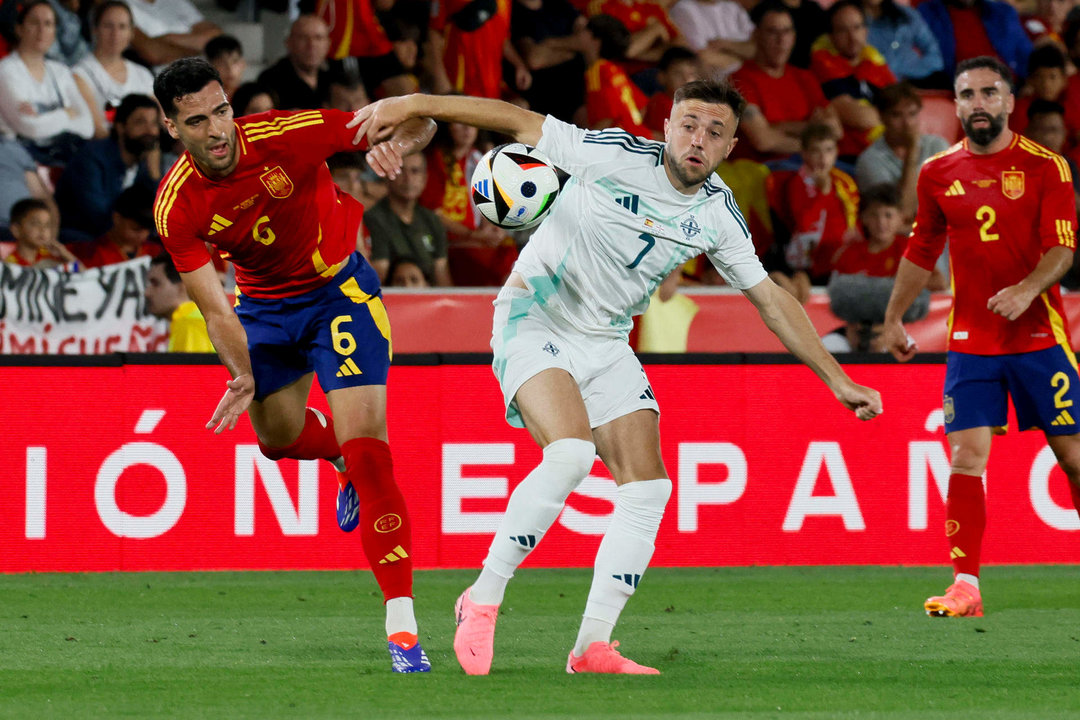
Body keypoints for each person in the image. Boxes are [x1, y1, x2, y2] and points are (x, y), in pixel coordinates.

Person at [350, 80, 883, 674]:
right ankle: (482, 598)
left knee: (649, 489)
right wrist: (414, 105)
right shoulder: (614, 154)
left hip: (605, 342)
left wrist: (837, 379)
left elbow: (771, 298)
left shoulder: (717, 213)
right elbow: (514, 119)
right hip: (535, 313)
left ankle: (590, 648)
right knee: (571, 454)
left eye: (713, 131)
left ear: (733, 145)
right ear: (666, 123)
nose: (696, 139)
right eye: (687, 123)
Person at [151, 57, 436, 671]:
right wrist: (242, 373)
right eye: (197, 121)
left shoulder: (288, 133)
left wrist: (400, 147)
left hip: (339, 294)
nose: (218, 130)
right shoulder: (176, 204)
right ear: (172, 127)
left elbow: (418, 119)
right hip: (259, 309)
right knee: (276, 441)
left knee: (370, 450)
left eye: (222, 111)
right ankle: (333, 457)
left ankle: (403, 628)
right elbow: (215, 309)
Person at [882, 56, 1080, 618]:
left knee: (1074, 458)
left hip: (1040, 336)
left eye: (989, 93)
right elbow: (921, 249)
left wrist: (1025, 289)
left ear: (1010, 102)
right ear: (958, 104)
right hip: (972, 341)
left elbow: (1062, 249)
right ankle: (965, 585)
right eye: (966, 95)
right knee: (966, 458)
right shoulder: (937, 172)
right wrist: (895, 317)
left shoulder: (1048, 167)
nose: (977, 104)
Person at [730, 1, 841, 163]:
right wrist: (811, 134)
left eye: (787, 31)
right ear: (756, 35)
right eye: (773, 32)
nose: (781, 40)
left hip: (813, 163)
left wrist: (779, 128)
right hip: (766, 168)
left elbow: (835, 131)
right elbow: (763, 141)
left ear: (794, 36)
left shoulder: (804, 77)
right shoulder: (739, 81)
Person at [765, 122, 860, 303]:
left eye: (829, 150)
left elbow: (853, 225)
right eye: (816, 151)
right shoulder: (796, 183)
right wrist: (822, 194)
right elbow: (805, 225)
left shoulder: (845, 183)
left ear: (836, 152)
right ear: (805, 153)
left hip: (840, 257)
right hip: (808, 261)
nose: (823, 157)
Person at [55, 93, 162, 241]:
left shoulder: (147, 161)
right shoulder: (92, 159)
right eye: (140, 123)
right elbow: (97, 216)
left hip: (126, 238)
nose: (150, 131)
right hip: (84, 238)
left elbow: (162, 216)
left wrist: (154, 175)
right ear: (120, 127)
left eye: (154, 123)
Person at [0, 0, 94, 166]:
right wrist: (67, 113)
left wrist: (41, 114)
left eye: (48, 24)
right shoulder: (6, 70)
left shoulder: (61, 71)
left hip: (62, 160)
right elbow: (30, 127)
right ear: (19, 28)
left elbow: (87, 127)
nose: (42, 30)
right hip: (19, 161)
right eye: (34, 22)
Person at [810, 0, 897, 163]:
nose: (852, 37)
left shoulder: (874, 61)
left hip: (889, 151)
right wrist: (893, 117)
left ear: (866, 30)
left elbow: (901, 105)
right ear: (831, 35)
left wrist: (895, 117)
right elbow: (858, 117)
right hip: (853, 158)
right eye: (843, 30)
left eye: (857, 28)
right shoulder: (822, 63)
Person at [854, 82, 950, 223]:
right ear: (881, 117)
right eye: (897, 115)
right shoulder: (869, 161)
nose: (907, 123)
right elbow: (903, 212)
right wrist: (911, 152)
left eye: (912, 114)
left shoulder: (937, 145)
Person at [365, 152, 452, 286]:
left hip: (428, 300)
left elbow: (442, 277)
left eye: (415, 171)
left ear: (425, 178)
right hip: (389, 301)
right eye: (400, 171)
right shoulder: (373, 218)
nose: (408, 178)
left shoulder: (432, 220)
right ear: (387, 177)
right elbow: (375, 280)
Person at [73, 1, 155, 132]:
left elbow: (163, 122)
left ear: (131, 33)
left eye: (122, 27)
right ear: (95, 29)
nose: (115, 34)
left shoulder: (142, 74)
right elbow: (98, 129)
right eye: (108, 26)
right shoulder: (80, 74)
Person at [72, 185, 161, 268]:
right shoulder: (91, 254)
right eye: (136, 229)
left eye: (148, 230)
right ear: (117, 218)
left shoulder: (156, 252)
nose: (143, 235)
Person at [257, 15, 333, 110]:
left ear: (328, 44)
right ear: (289, 42)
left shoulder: (334, 80)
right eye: (303, 37)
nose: (312, 45)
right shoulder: (270, 80)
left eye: (318, 38)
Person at [144, 251, 214, 352]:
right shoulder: (200, 318)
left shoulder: (189, 325)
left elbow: (193, 368)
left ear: (183, 285)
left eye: (155, 283)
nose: (147, 293)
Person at [4, 197, 77, 267]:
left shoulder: (51, 256)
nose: (43, 230)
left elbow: (83, 273)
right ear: (16, 230)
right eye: (35, 224)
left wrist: (65, 253)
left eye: (47, 225)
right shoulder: (10, 264)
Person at [205, 34, 247, 100]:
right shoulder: (203, 100)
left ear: (243, 64)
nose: (230, 68)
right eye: (222, 63)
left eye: (234, 61)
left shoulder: (253, 99)